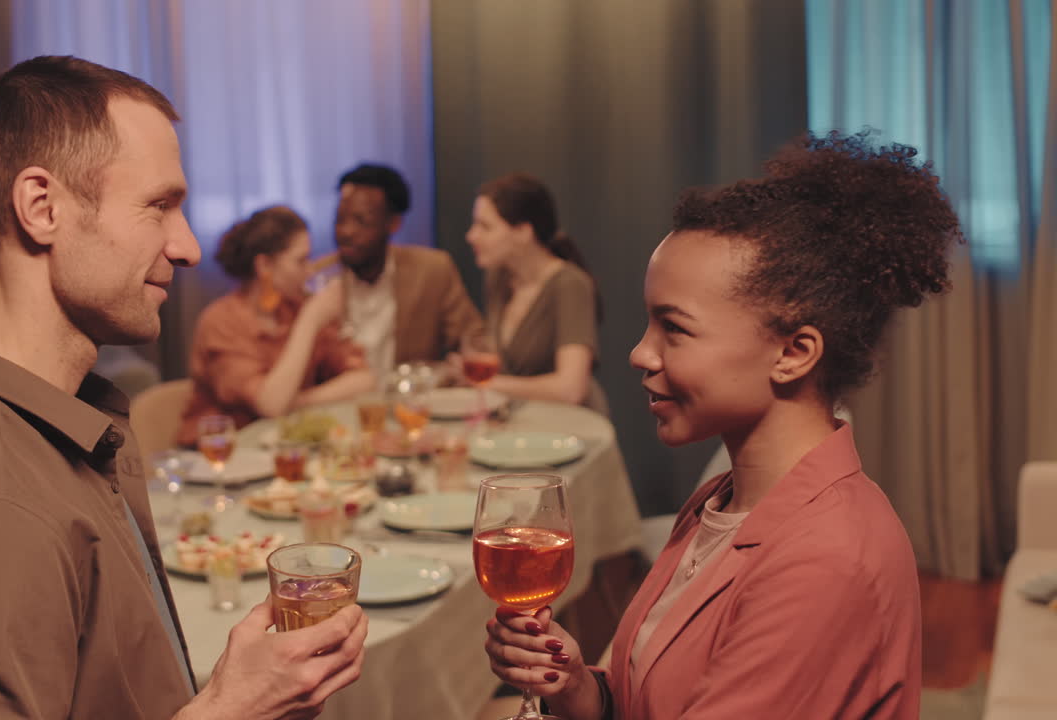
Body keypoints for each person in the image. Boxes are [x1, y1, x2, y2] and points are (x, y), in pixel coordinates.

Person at [0, 56, 367, 720]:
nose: (188, 247)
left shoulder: (57, 427)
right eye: (160, 206)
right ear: (42, 207)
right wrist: (231, 710)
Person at [483, 131, 962, 719]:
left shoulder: (827, 561)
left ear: (794, 352)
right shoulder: (723, 500)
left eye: (674, 328)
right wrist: (580, 688)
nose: (639, 353)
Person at [176, 205, 375, 443]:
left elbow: (364, 380)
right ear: (265, 266)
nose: (310, 271)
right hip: (219, 458)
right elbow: (270, 404)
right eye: (301, 261)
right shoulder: (221, 322)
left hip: (282, 452)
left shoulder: (294, 308)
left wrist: (296, 402)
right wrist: (309, 322)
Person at [463, 172, 607, 413]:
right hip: (520, 422)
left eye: (484, 226)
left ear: (523, 232)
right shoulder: (498, 277)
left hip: (569, 427)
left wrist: (489, 383)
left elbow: (571, 389)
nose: (471, 236)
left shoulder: (570, 284)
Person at [325, 162, 483, 373]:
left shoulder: (431, 271)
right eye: (339, 220)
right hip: (339, 403)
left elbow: (474, 340)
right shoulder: (319, 280)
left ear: (393, 223)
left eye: (361, 221)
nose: (346, 232)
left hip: (409, 401)